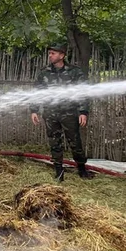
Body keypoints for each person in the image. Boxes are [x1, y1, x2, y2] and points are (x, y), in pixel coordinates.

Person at [29, 42, 90, 181]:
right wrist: (34, 110)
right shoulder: (44, 72)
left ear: (62, 55)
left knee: (75, 142)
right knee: (54, 142)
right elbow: (37, 92)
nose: (50, 56)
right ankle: (58, 171)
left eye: (53, 53)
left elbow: (83, 92)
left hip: (69, 113)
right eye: (49, 53)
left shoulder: (75, 72)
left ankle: (82, 169)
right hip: (50, 113)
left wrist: (83, 112)